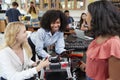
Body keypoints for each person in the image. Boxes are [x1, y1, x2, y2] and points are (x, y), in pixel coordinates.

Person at [80, 0, 120, 80]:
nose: (86, 17)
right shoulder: (97, 39)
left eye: (88, 13)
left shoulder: (113, 43)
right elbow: (101, 64)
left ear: (97, 17)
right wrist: (87, 66)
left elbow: (114, 78)